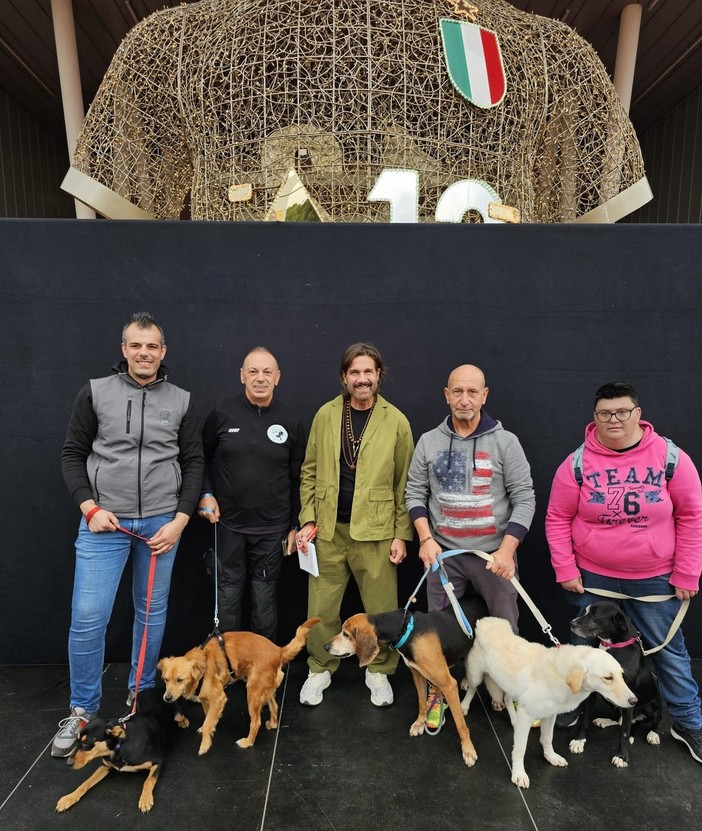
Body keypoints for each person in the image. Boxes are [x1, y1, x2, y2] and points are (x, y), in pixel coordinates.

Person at [52, 312, 204, 758]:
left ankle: (140, 698)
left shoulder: (181, 400)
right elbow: (71, 454)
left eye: (152, 346)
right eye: (136, 345)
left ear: (163, 351)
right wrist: (89, 507)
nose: (144, 353)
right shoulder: (95, 392)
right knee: (87, 617)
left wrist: (179, 521)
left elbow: (194, 462)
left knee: (151, 613)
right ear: (124, 350)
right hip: (106, 523)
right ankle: (82, 708)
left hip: (161, 524)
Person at [545, 381, 702, 764]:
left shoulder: (670, 458)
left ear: (637, 414)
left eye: (622, 412)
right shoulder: (577, 462)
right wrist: (565, 567)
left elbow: (693, 515)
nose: (613, 419)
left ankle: (687, 722)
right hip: (593, 577)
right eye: (605, 413)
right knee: (582, 651)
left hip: (654, 578)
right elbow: (557, 517)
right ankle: (571, 706)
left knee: (669, 655)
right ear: (594, 416)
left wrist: (687, 572)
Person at [405, 364, 535, 724]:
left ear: (484, 395)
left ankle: (516, 696)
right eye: (457, 392)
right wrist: (426, 539)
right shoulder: (429, 441)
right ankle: (438, 695)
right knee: (435, 635)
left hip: (493, 555)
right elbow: (415, 492)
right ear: (446, 395)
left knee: (507, 631)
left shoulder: (505, 442)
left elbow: (524, 497)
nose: (465, 399)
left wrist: (507, 550)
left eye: (472, 392)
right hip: (443, 555)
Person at [296, 343, 414, 706]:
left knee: (380, 609)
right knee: (321, 607)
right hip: (329, 530)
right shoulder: (326, 415)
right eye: (354, 373)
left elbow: (405, 482)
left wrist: (401, 534)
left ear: (379, 375)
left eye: (368, 372)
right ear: (344, 377)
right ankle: (319, 667)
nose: (362, 380)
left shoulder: (396, 420)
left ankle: (379, 672)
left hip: (377, 533)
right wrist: (308, 517)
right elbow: (309, 471)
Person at [197, 347, 306, 640]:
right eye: (253, 371)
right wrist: (205, 493)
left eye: (267, 372)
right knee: (228, 599)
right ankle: (225, 666)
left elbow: (299, 477)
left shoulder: (291, 420)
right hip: (228, 525)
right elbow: (201, 458)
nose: (260, 378)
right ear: (242, 376)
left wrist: (295, 524)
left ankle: (263, 667)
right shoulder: (222, 413)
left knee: (264, 604)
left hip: (272, 530)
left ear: (278, 377)